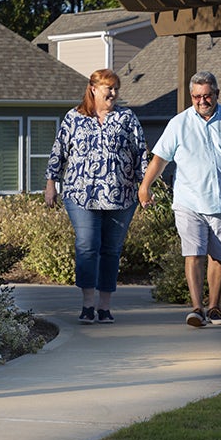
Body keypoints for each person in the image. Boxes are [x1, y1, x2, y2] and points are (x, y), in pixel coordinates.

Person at [138, 71, 221, 327]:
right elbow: (160, 159)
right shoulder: (179, 123)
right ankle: (197, 308)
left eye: (207, 95)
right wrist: (145, 186)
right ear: (191, 97)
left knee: (220, 257)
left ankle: (215, 307)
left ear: (217, 94)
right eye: (197, 96)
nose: (202, 101)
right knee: (193, 253)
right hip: (189, 202)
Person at [44, 68, 147, 324]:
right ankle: (88, 304)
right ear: (93, 88)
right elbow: (59, 152)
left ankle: (104, 307)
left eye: (115, 89)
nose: (113, 93)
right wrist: (51, 184)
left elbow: (141, 153)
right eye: (108, 88)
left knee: (111, 250)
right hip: (81, 195)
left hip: (121, 195)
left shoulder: (127, 118)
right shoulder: (74, 117)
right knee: (87, 245)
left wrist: (144, 186)